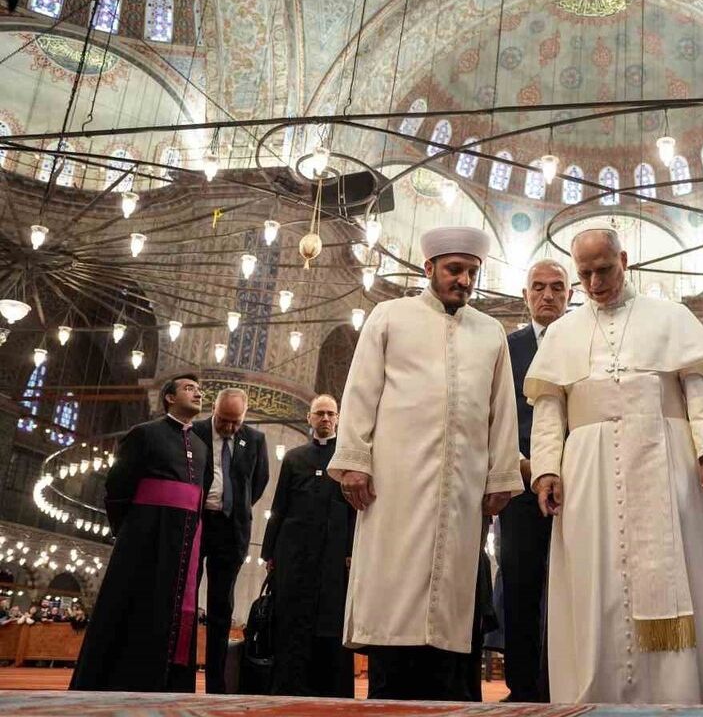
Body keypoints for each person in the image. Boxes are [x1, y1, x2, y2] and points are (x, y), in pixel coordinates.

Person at [527, 228, 703, 703]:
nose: (595, 283)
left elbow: (699, 392)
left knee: (679, 572)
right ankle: (597, 696)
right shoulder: (562, 332)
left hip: (665, 461)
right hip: (589, 472)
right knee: (596, 580)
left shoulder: (671, 316)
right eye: (585, 274)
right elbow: (549, 409)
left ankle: (678, 694)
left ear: (624, 260)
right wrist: (546, 469)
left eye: (604, 270)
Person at [328, 225, 523, 701]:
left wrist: (501, 474)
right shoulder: (390, 316)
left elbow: (502, 410)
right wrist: (354, 459)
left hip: (463, 487)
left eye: (472, 272)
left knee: (453, 604)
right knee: (394, 592)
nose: (464, 280)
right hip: (394, 482)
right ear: (429, 267)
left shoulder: (490, 332)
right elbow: (361, 390)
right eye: (455, 269)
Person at [70, 374, 208, 692]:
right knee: (135, 605)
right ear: (169, 398)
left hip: (184, 542)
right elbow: (117, 485)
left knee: (173, 610)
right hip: (145, 535)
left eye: (199, 389)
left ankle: (168, 684)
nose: (198, 393)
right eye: (189, 388)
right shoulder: (144, 433)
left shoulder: (202, 447)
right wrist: (131, 530)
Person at [499, 258, 572, 702]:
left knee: (575, 586)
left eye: (557, 287)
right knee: (520, 584)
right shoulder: (506, 348)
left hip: (577, 485)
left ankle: (566, 682)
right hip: (522, 486)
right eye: (539, 287)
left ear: (570, 294)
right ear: (525, 295)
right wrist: (522, 464)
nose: (548, 295)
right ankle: (522, 687)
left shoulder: (585, 339)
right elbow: (495, 413)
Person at [261, 394, 354, 697]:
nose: (325, 418)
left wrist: (352, 550)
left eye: (330, 414)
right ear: (309, 418)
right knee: (292, 619)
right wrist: (269, 552)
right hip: (294, 553)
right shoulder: (294, 458)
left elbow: (355, 511)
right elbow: (279, 506)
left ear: (338, 418)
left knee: (331, 620)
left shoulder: (348, 460)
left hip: (334, 556)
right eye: (320, 413)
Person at [191, 388, 270, 694]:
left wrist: (235, 505)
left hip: (231, 530)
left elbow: (258, 482)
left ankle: (216, 684)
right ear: (214, 409)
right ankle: (181, 677)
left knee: (221, 607)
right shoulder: (195, 432)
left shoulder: (255, 440)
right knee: (187, 601)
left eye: (235, 421)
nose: (229, 427)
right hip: (197, 523)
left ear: (244, 416)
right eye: (223, 419)